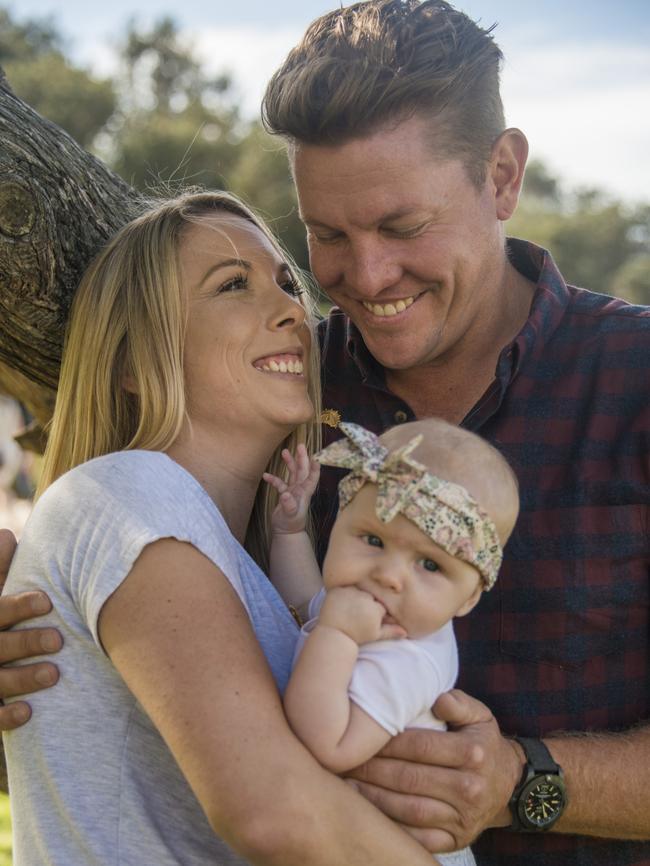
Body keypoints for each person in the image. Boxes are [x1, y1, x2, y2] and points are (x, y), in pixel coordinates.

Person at [0, 0, 649, 864]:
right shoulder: (281, 398)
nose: (366, 277)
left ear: (501, 176)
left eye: (402, 226)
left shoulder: (634, 381)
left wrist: (528, 782)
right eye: (326, 237)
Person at [0, 189, 441, 866]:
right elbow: (272, 812)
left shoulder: (253, 564)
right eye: (233, 285)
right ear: (129, 361)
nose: (294, 309)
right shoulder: (127, 494)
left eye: (287, 283)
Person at [264, 417, 520, 866]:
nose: (389, 574)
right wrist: (289, 533)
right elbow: (307, 604)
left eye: (430, 565)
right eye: (372, 539)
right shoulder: (368, 608)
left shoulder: (407, 660)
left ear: (470, 597)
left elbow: (328, 745)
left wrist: (338, 636)